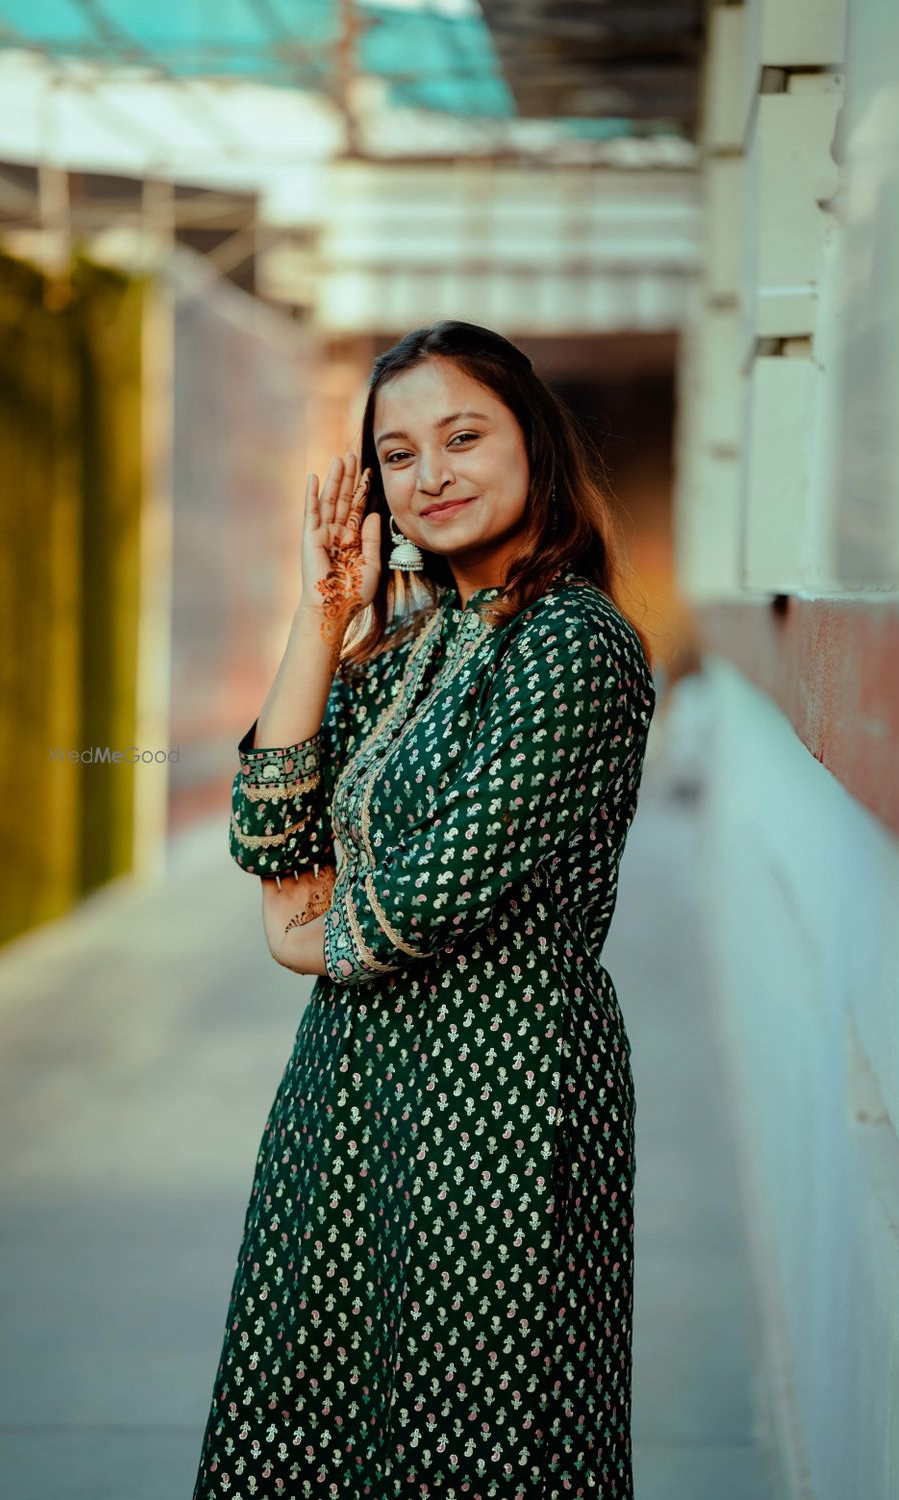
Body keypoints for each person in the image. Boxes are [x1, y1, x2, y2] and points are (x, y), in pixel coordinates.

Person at [192, 320, 657, 1500]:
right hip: (349, 1089)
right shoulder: (400, 649)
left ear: (532, 445)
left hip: (501, 1091)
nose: (430, 474)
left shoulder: (575, 646)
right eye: (397, 456)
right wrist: (321, 622)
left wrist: (315, 930)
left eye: (462, 435)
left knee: (481, 1432)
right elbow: (267, 836)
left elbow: (416, 899)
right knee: (309, 1417)